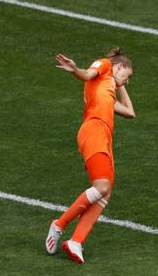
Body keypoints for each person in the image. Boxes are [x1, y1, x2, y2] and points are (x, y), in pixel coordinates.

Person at [45, 47, 135, 263]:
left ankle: (76, 242)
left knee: (105, 193)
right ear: (119, 66)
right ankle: (59, 225)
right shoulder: (104, 65)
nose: (128, 80)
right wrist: (75, 70)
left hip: (104, 135)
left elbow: (130, 112)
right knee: (102, 187)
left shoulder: (107, 90)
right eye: (128, 74)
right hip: (94, 130)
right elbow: (87, 74)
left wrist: (120, 84)